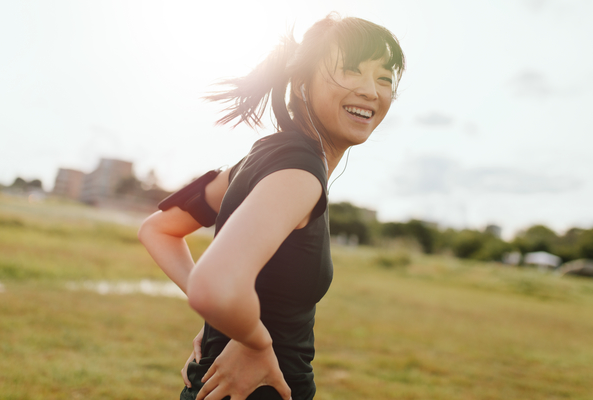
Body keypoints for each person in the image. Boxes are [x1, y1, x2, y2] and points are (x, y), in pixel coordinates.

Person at [138, 13, 405, 400]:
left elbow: (157, 229)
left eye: (384, 78)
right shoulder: (299, 174)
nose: (370, 90)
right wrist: (254, 342)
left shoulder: (260, 159)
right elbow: (213, 285)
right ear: (301, 85)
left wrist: (230, 320)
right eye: (350, 71)